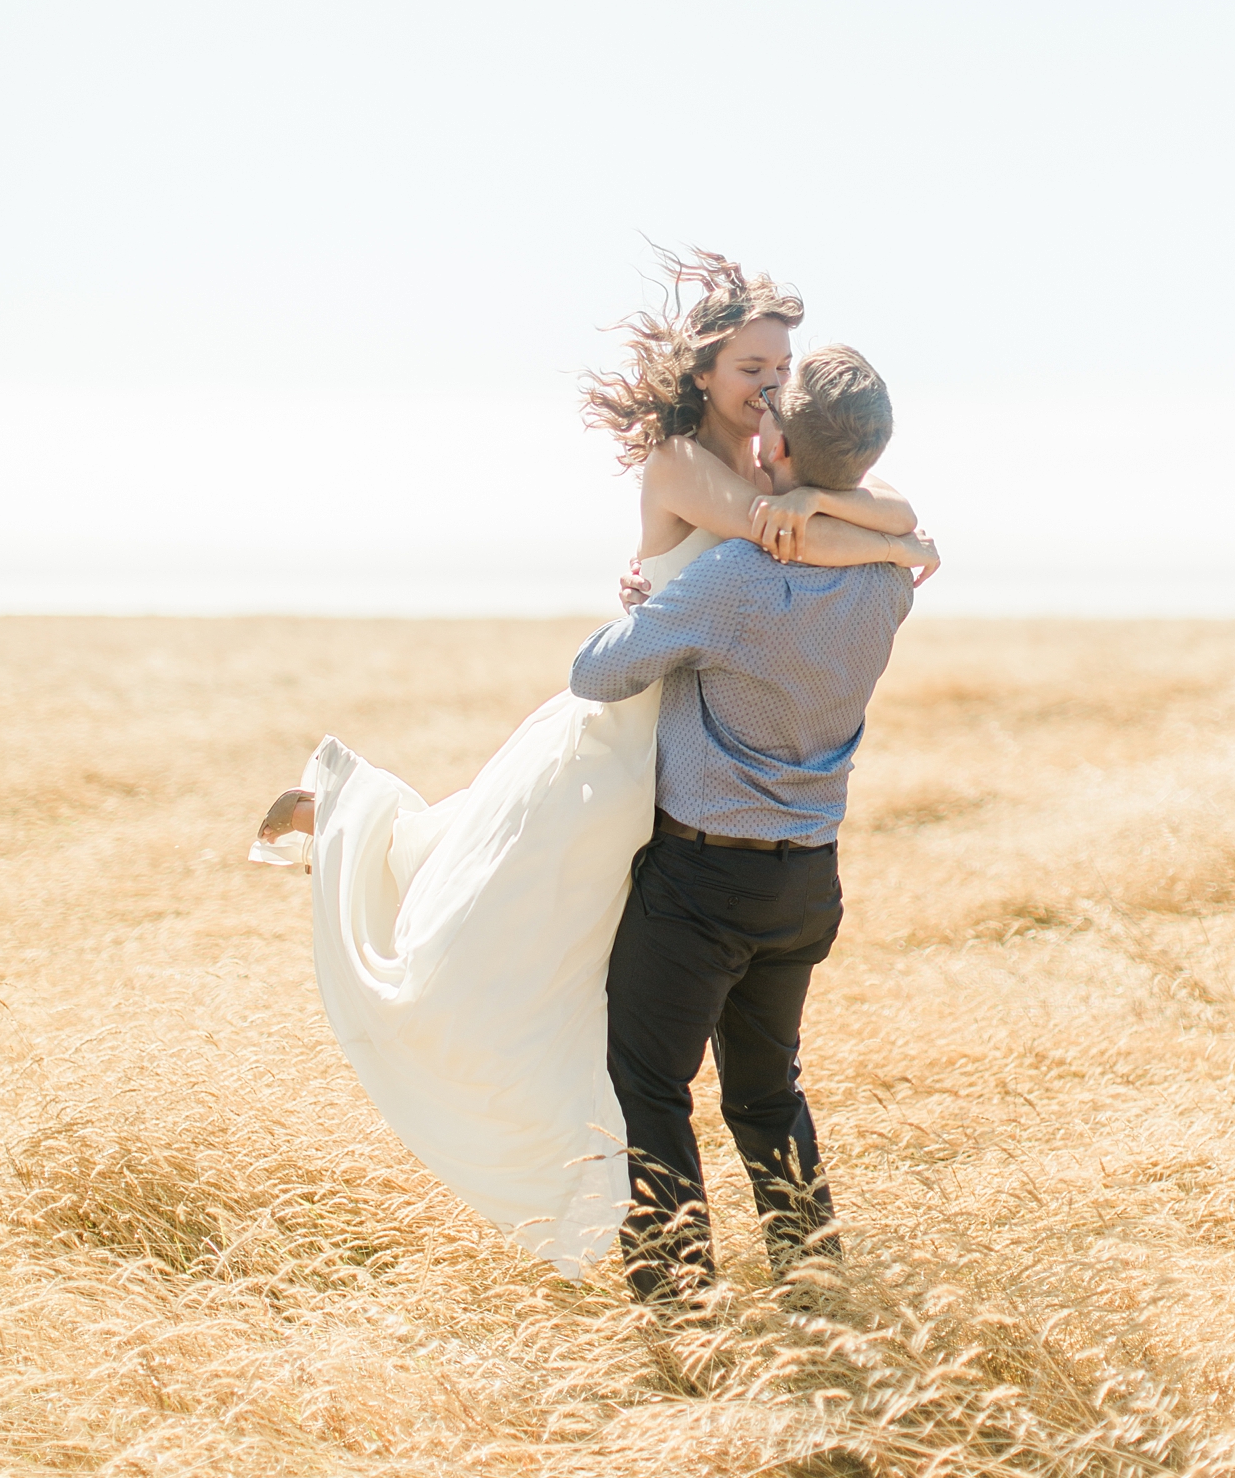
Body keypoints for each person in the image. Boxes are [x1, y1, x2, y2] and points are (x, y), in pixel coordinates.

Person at [252, 249, 937, 1278]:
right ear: (705, 371)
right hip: (628, 745)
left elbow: (860, 529)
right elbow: (789, 546)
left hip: (679, 757)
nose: (768, 386)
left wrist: (869, 522)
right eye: (754, 365)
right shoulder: (690, 470)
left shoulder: (780, 474)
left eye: (781, 369)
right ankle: (346, 824)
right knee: (496, 924)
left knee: (626, 1035)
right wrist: (877, 535)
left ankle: (683, 1294)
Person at [569, 343, 922, 1307]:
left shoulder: (731, 579)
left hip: (702, 887)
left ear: (776, 440)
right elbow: (902, 529)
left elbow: (595, 676)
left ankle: (682, 1314)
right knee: (767, 1098)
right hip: (807, 882)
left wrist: (644, 608)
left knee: (647, 1090)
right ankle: (818, 1294)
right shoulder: (888, 580)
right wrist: (822, 497)